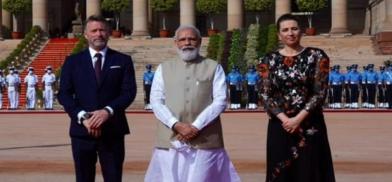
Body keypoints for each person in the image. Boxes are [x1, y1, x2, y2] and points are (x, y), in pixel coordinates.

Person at [144, 25, 240, 182]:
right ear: (176, 43)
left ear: (200, 41)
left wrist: (196, 126)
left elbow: (220, 100)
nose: (187, 42)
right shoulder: (164, 68)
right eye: (182, 39)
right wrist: (175, 124)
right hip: (171, 138)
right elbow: (156, 101)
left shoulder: (213, 67)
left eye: (192, 39)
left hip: (205, 139)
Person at [57, 15, 137, 182]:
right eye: (94, 30)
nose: (98, 34)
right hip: (82, 131)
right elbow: (64, 94)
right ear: (86, 34)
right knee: (83, 178)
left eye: (102, 30)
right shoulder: (72, 62)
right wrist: (83, 117)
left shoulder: (123, 60)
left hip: (113, 129)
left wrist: (107, 111)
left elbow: (129, 92)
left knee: (114, 177)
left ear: (108, 33)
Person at [258, 14, 335, 182]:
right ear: (279, 34)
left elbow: (320, 92)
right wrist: (285, 119)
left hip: (310, 124)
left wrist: (297, 119)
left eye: (294, 28)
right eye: (285, 30)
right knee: (282, 172)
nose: (290, 33)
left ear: (301, 31)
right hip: (280, 125)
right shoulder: (268, 60)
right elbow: (265, 93)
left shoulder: (317, 56)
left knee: (311, 169)